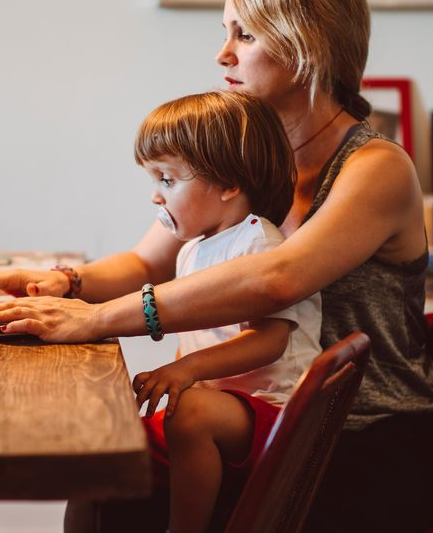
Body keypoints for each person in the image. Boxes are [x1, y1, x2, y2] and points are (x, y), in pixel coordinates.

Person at [0, 0, 433, 532]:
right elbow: (148, 261)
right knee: (106, 480)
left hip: (365, 441)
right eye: (226, 34)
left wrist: (94, 320)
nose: (223, 55)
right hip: (275, 422)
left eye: (244, 35)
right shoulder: (249, 155)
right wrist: (63, 282)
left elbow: (279, 279)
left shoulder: (375, 166)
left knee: (123, 496)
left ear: (307, 46)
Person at [130, 90, 322, 533]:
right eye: (154, 180)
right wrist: (178, 374)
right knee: (118, 436)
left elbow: (270, 339)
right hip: (228, 406)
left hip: (276, 411)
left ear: (228, 184)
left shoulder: (258, 243)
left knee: (191, 412)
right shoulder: (192, 251)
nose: (157, 197)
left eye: (168, 180)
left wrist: (186, 373)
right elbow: (194, 339)